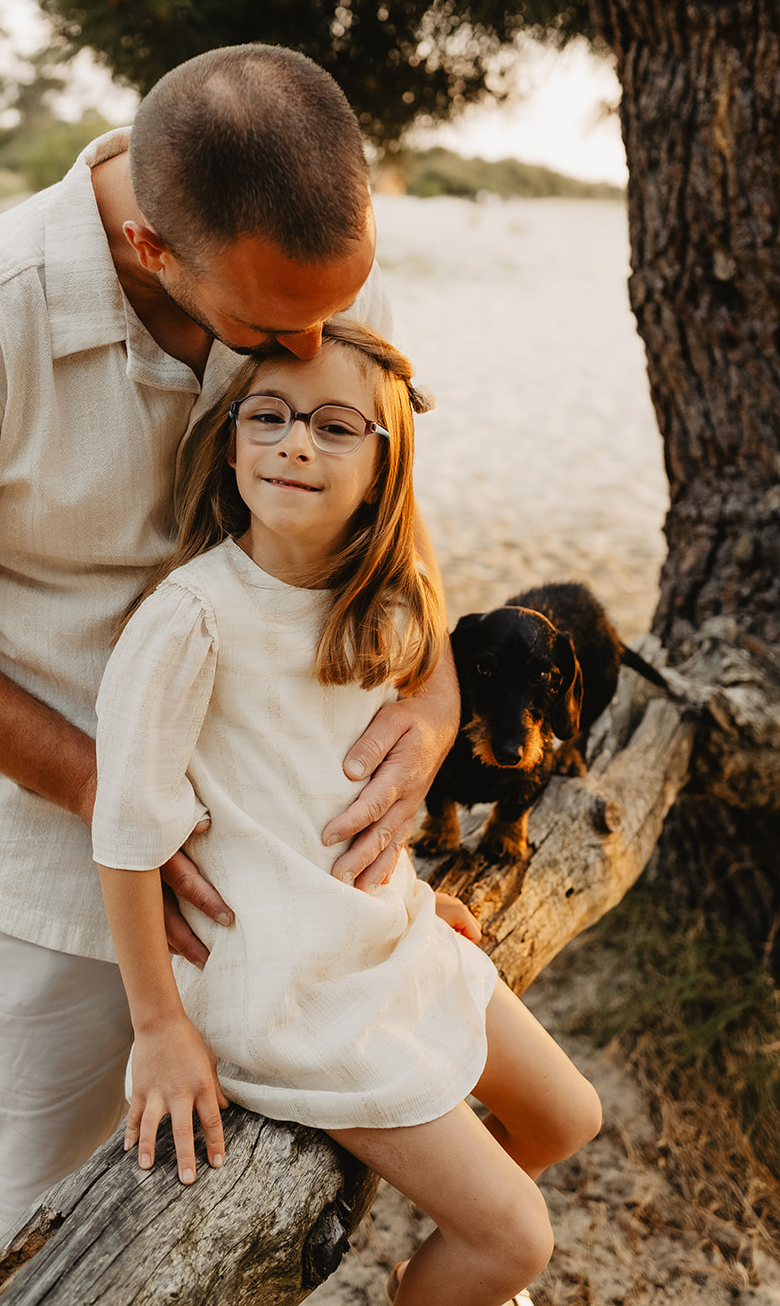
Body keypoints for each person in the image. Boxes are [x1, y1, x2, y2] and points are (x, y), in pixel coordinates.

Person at [0, 44, 462, 1274]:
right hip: (55, 866)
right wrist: (111, 793)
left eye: (340, 305)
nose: (320, 339)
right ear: (152, 250)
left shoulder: (304, 271)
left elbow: (390, 516)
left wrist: (430, 696)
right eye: (277, 329)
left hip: (291, 847)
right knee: (28, 1221)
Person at [93, 321, 602, 1306]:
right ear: (231, 439)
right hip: (285, 983)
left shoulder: (389, 604)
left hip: (377, 930)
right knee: (513, 1242)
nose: (292, 443)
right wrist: (156, 1023)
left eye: (334, 427)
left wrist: (406, 891)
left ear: (383, 468)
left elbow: (334, 784)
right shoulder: (189, 620)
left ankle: (430, 1269)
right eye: (269, 417)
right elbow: (125, 829)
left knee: (565, 1117)